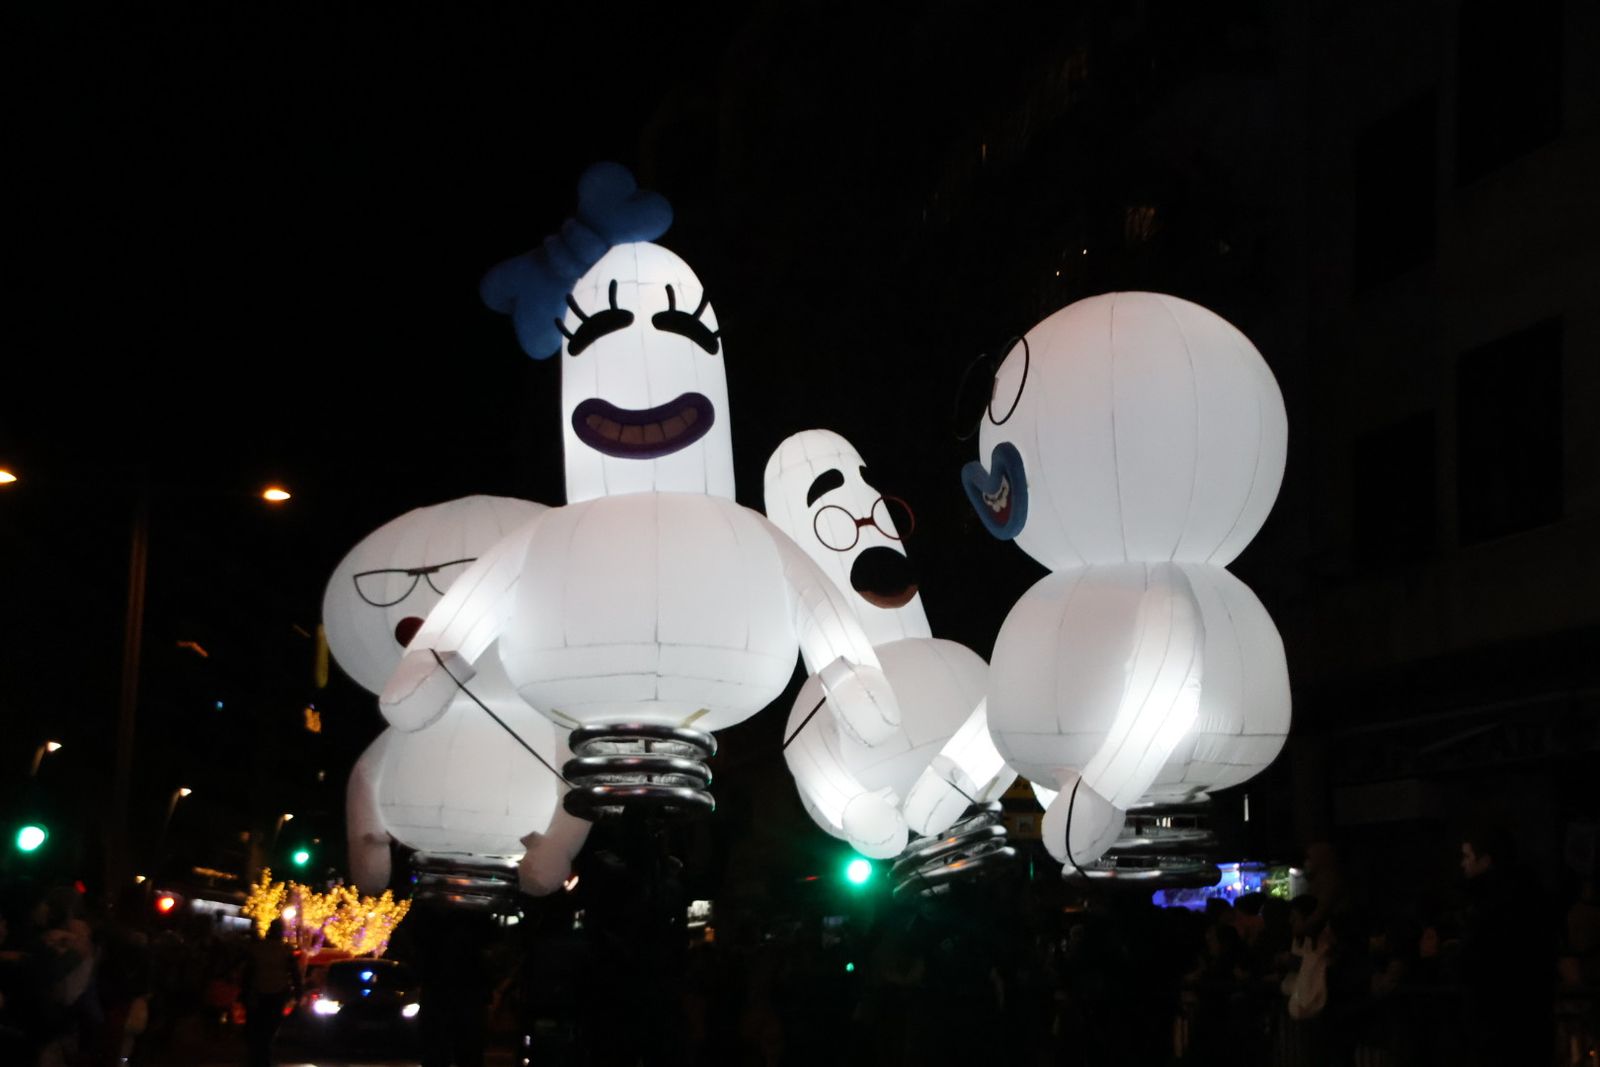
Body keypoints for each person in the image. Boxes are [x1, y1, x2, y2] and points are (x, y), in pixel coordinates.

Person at [1456, 826, 1554, 1067]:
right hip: (1527, 1022)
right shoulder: (1529, 896)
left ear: (1486, 859)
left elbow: (1478, 960)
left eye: (1468, 856)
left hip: (1497, 1024)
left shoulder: (1491, 906)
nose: (1462, 864)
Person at [240, 918, 299, 1067]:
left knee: (256, 1028)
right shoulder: (284, 950)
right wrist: (298, 990)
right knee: (268, 1028)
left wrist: (245, 991)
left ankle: (257, 1057)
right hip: (274, 993)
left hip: (260, 992)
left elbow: (248, 972)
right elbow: (294, 972)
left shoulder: (258, 948)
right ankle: (262, 1056)